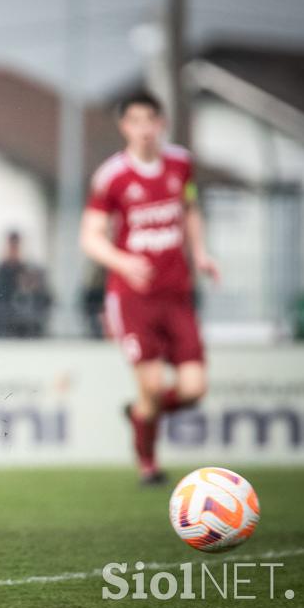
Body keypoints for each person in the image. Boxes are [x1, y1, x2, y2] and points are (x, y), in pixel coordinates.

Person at [79, 90, 219, 486]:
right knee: (153, 385)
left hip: (177, 294)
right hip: (132, 296)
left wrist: (202, 253)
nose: (143, 130)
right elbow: (90, 237)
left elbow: (190, 209)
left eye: (150, 120)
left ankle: (140, 416)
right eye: (134, 121)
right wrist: (123, 261)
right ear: (124, 127)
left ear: (162, 123)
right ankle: (148, 465)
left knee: (193, 389)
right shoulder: (112, 177)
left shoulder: (180, 164)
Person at [0, 231, 51, 337]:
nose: (14, 251)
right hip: (2, 334)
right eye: (11, 247)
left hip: (28, 334)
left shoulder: (32, 273)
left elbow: (45, 302)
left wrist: (32, 289)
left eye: (16, 247)